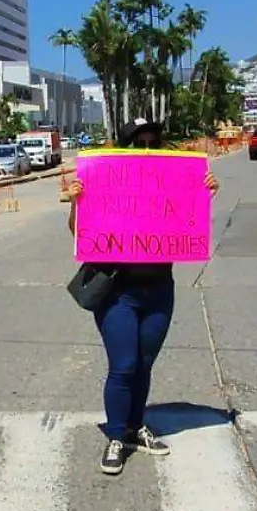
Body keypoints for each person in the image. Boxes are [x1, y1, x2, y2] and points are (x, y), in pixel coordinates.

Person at [65, 118, 220, 476]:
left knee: (144, 364)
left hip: (159, 289)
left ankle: (135, 427)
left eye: (152, 141)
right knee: (124, 365)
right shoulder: (103, 177)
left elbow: (188, 219)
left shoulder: (168, 179)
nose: (146, 148)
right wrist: (77, 202)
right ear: (124, 145)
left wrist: (204, 192)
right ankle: (117, 436)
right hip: (118, 291)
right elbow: (80, 231)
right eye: (138, 142)